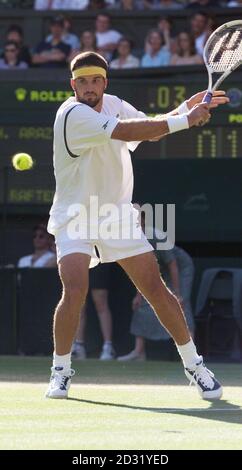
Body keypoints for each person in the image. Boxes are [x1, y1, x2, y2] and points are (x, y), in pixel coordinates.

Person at [45, 50, 228, 400]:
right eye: (81, 81)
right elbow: (125, 131)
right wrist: (186, 120)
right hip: (75, 215)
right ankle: (61, 370)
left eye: (94, 80)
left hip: (116, 214)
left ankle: (196, 366)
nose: (88, 87)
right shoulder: (71, 114)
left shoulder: (114, 102)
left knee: (155, 289)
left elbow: (149, 131)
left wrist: (181, 110)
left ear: (104, 82)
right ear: (73, 85)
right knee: (75, 289)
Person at [118, 222, 195, 361]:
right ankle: (138, 352)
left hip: (180, 268)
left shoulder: (157, 237)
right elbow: (141, 271)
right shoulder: (131, 239)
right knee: (141, 304)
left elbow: (173, 265)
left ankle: (192, 355)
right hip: (159, 267)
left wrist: (177, 293)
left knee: (181, 303)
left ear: (142, 221)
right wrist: (138, 295)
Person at [72, 263, 114, 360]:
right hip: (79, 259)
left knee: (101, 303)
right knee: (79, 305)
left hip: (99, 261)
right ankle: (78, 346)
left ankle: (108, 347)